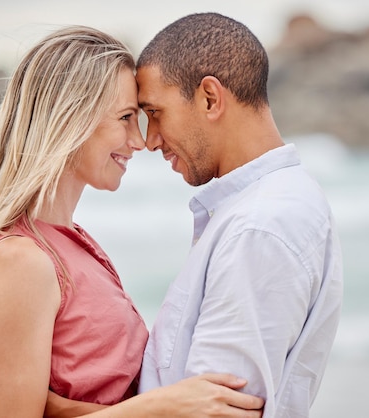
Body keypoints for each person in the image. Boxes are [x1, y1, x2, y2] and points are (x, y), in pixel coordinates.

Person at [0, 25, 264, 418]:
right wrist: (164, 406)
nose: (139, 141)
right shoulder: (20, 258)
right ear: (69, 118)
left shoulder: (71, 243)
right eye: (125, 118)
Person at [133, 12, 344, 417]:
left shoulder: (260, 226)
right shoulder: (262, 209)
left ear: (210, 98)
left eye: (155, 112)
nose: (149, 140)